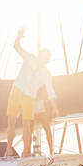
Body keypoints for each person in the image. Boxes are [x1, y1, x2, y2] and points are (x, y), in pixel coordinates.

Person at [5, 28, 54, 158]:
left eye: (46, 57)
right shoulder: (30, 57)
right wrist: (18, 37)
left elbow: (50, 89)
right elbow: (16, 47)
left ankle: (26, 152)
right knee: (11, 122)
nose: (43, 58)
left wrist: (54, 105)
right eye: (42, 55)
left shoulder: (45, 73)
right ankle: (8, 149)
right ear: (39, 55)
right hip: (17, 90)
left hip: (29, 96)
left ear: (47, 60)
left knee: (27, 124)